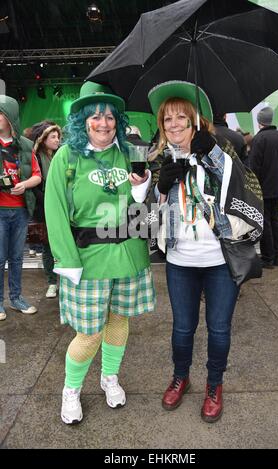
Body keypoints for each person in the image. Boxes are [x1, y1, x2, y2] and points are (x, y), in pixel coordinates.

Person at [147, 80, 263, 423]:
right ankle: (180, 377)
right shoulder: (160, 159)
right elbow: (149, 218)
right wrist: (161, 186)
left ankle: (215, 385)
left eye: (181, 117)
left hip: (218, 260)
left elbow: (236, 182)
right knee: (182, 328)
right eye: (167, 119)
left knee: (219, 328)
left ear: (195, 120)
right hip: (180, 261)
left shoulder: (219, 153)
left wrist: (208, 151)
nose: (174, 124)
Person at [44, 82, 156, 424]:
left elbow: (139, 209)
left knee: (119, 320)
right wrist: (66, 260)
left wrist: (143, 187)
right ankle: (71, 390)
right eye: (95, 116)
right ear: (82, 121)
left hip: (129, 255)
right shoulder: (68, 156)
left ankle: (110, 378)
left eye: (109, 116)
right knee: (89, 332)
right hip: (88, 261)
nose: (103, 122)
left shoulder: (129, 152)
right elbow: (55, 210)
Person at [0, 95, 41, 321]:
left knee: (16, 258)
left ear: (10, 117)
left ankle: (16, 298)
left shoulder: (25, 146)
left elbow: (37, 175)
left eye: (1, 113)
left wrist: (23, 185)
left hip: (20, 210)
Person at [249, 107, 278, 268]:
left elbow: (253, 166)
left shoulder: (259, 139)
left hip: (262, 187)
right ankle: (277, 257)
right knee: (274, 220)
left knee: (265, 222)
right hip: (276, 186)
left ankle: (268, 258)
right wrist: (277, 172)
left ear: (259, 121)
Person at [29, 120, 61, 298]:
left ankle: (65, 279)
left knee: (64, 244)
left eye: (58, 136)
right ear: (43, 139)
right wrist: (49, 202)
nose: (57, 140)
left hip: (62, 207)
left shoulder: (60, 156)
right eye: (53, 137)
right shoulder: (37, 157)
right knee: (48, 247)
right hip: (44, 209)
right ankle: (51, 282)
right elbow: (35, 187)